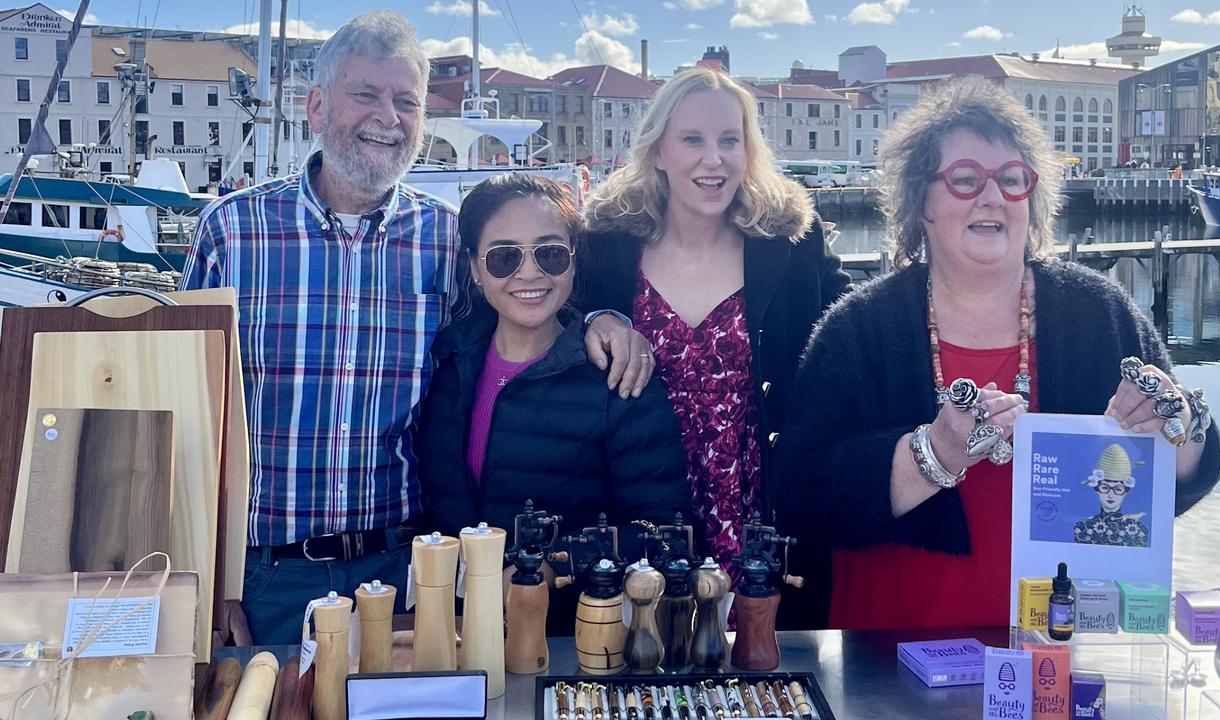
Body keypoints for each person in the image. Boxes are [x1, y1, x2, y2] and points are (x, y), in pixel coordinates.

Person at [180, 11, 646, 644]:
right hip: (266, 578)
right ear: (316, 106)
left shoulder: (446, 238)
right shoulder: (231, 232)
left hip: (406, 570)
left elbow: (520, 310)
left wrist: (597, 317)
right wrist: (203, 576)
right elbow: (189, 414)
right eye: (365, 94)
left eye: (406, 101)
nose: (388, 117)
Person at [773, 76, 1220, 630]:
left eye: (1012, 180)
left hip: (1067, 659)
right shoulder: (857, 330)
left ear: (1032, 201)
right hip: (889, 664)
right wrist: (931, 455)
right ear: (922, 204)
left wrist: (1176, 423)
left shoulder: (1099, 312)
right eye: (965, 180)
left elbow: (1180, 477)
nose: (992, 197)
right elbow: (800, 496)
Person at [577, 67, 852, 588]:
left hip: (762, 509)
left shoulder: (790, 244)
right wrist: (598, 317)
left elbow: (853, 327)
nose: (714, 158)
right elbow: (557, 317)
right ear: (659, 152)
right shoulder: (607, 245)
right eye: (692, 140)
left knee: (760, 660)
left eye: (730, 139)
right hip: (641, 508)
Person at [417, 174, 692, 633]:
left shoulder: (616, 376)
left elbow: (666, 532)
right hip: (455, 630)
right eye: (504, 257)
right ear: (474, 267)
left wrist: (548, 565)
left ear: (573, 262)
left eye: (550, 253)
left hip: (573, 640)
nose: (529, 273)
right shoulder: (446, 363)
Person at [1073, 443, 1151, 547]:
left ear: (1126, 492)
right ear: (1097, 489)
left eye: (1118, 489)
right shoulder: (1083, 527)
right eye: (1105, 488)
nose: (1110, 495)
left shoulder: (1138, 530)